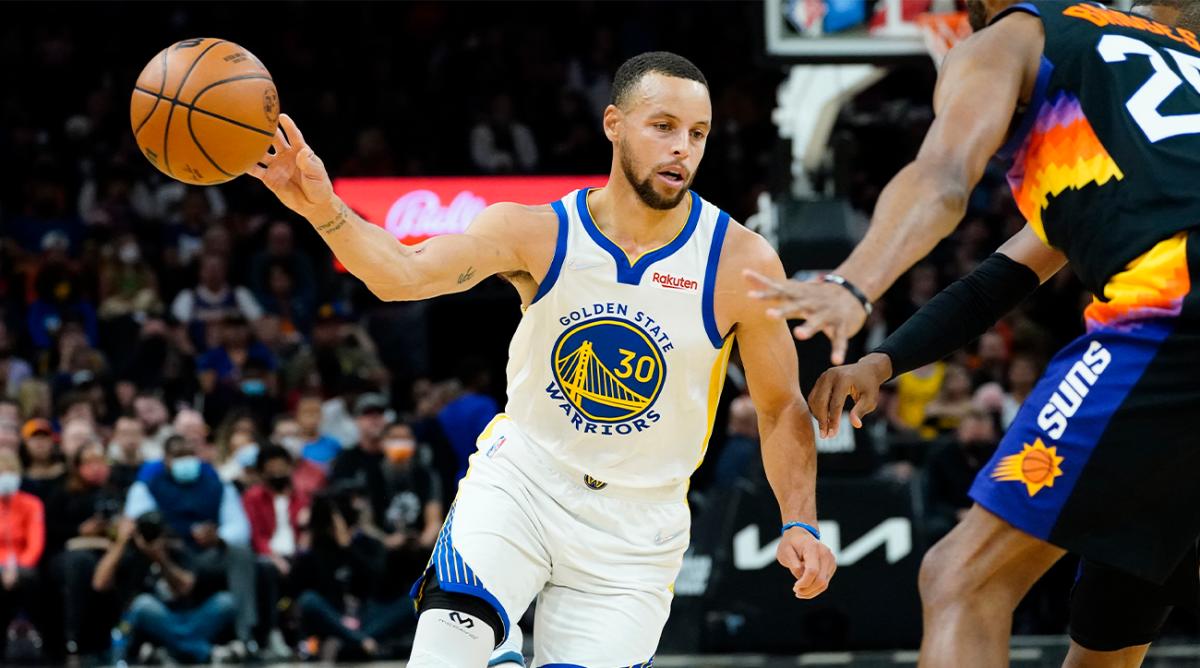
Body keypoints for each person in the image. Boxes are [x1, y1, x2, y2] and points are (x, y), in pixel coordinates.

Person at [252, 51, 834, 666]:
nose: (681, 149)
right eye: (662, 126)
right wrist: (323, 208)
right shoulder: (537, 231)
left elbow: (777, 407)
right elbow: (404, 274)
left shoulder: (740, 262)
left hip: (638, 525)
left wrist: (800, 521)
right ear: (614, 123)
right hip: (523, 483)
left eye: (697, 134)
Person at [749, 1, 1200, 664]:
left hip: (1175, 301)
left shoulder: (1019, 34)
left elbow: (942, 178)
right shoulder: (1143, 97)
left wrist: (853, 283)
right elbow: (1002, 278)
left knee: (961, 578)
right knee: (1119, 594)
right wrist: (885, 362)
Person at [92, 513, 236, 664]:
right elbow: (99, 583)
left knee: (225, 601)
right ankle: (203, 652)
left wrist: (161, 558)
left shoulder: (175, 550)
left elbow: (186, 587)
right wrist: (121, 542)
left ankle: (173, 650)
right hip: (151, 624)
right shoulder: (130, 553)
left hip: (184, 618)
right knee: (143, 604)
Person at [0, 449, 45, 658]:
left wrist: (16, 568)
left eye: (10, 470)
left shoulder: (32, 503)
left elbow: (35, 542)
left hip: (24, 565)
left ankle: (29, 628)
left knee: (28, 578)